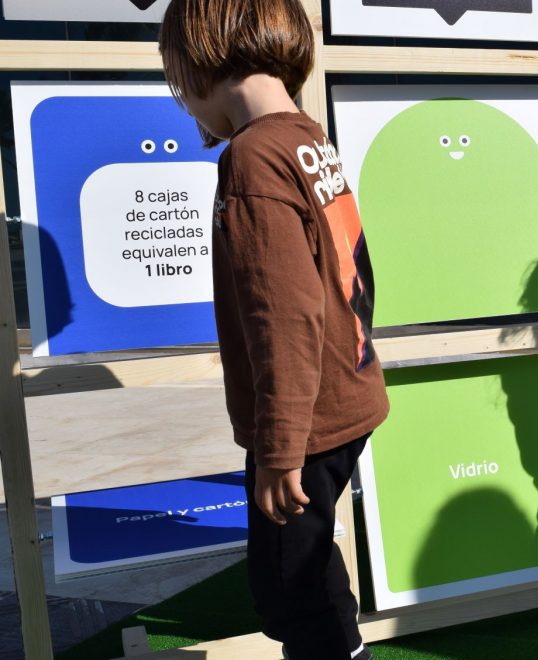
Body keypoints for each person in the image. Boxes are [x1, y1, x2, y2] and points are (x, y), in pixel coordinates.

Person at [159, 2, 389, 658]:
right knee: (299, 572)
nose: (185, 107)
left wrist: (280, 448)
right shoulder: (305, 138)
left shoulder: (253, 159)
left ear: (202, 58)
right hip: (345, 392)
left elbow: (283, 313)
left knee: (295, 587)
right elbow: (354, 273)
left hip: (306, 420)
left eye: (178, 84)